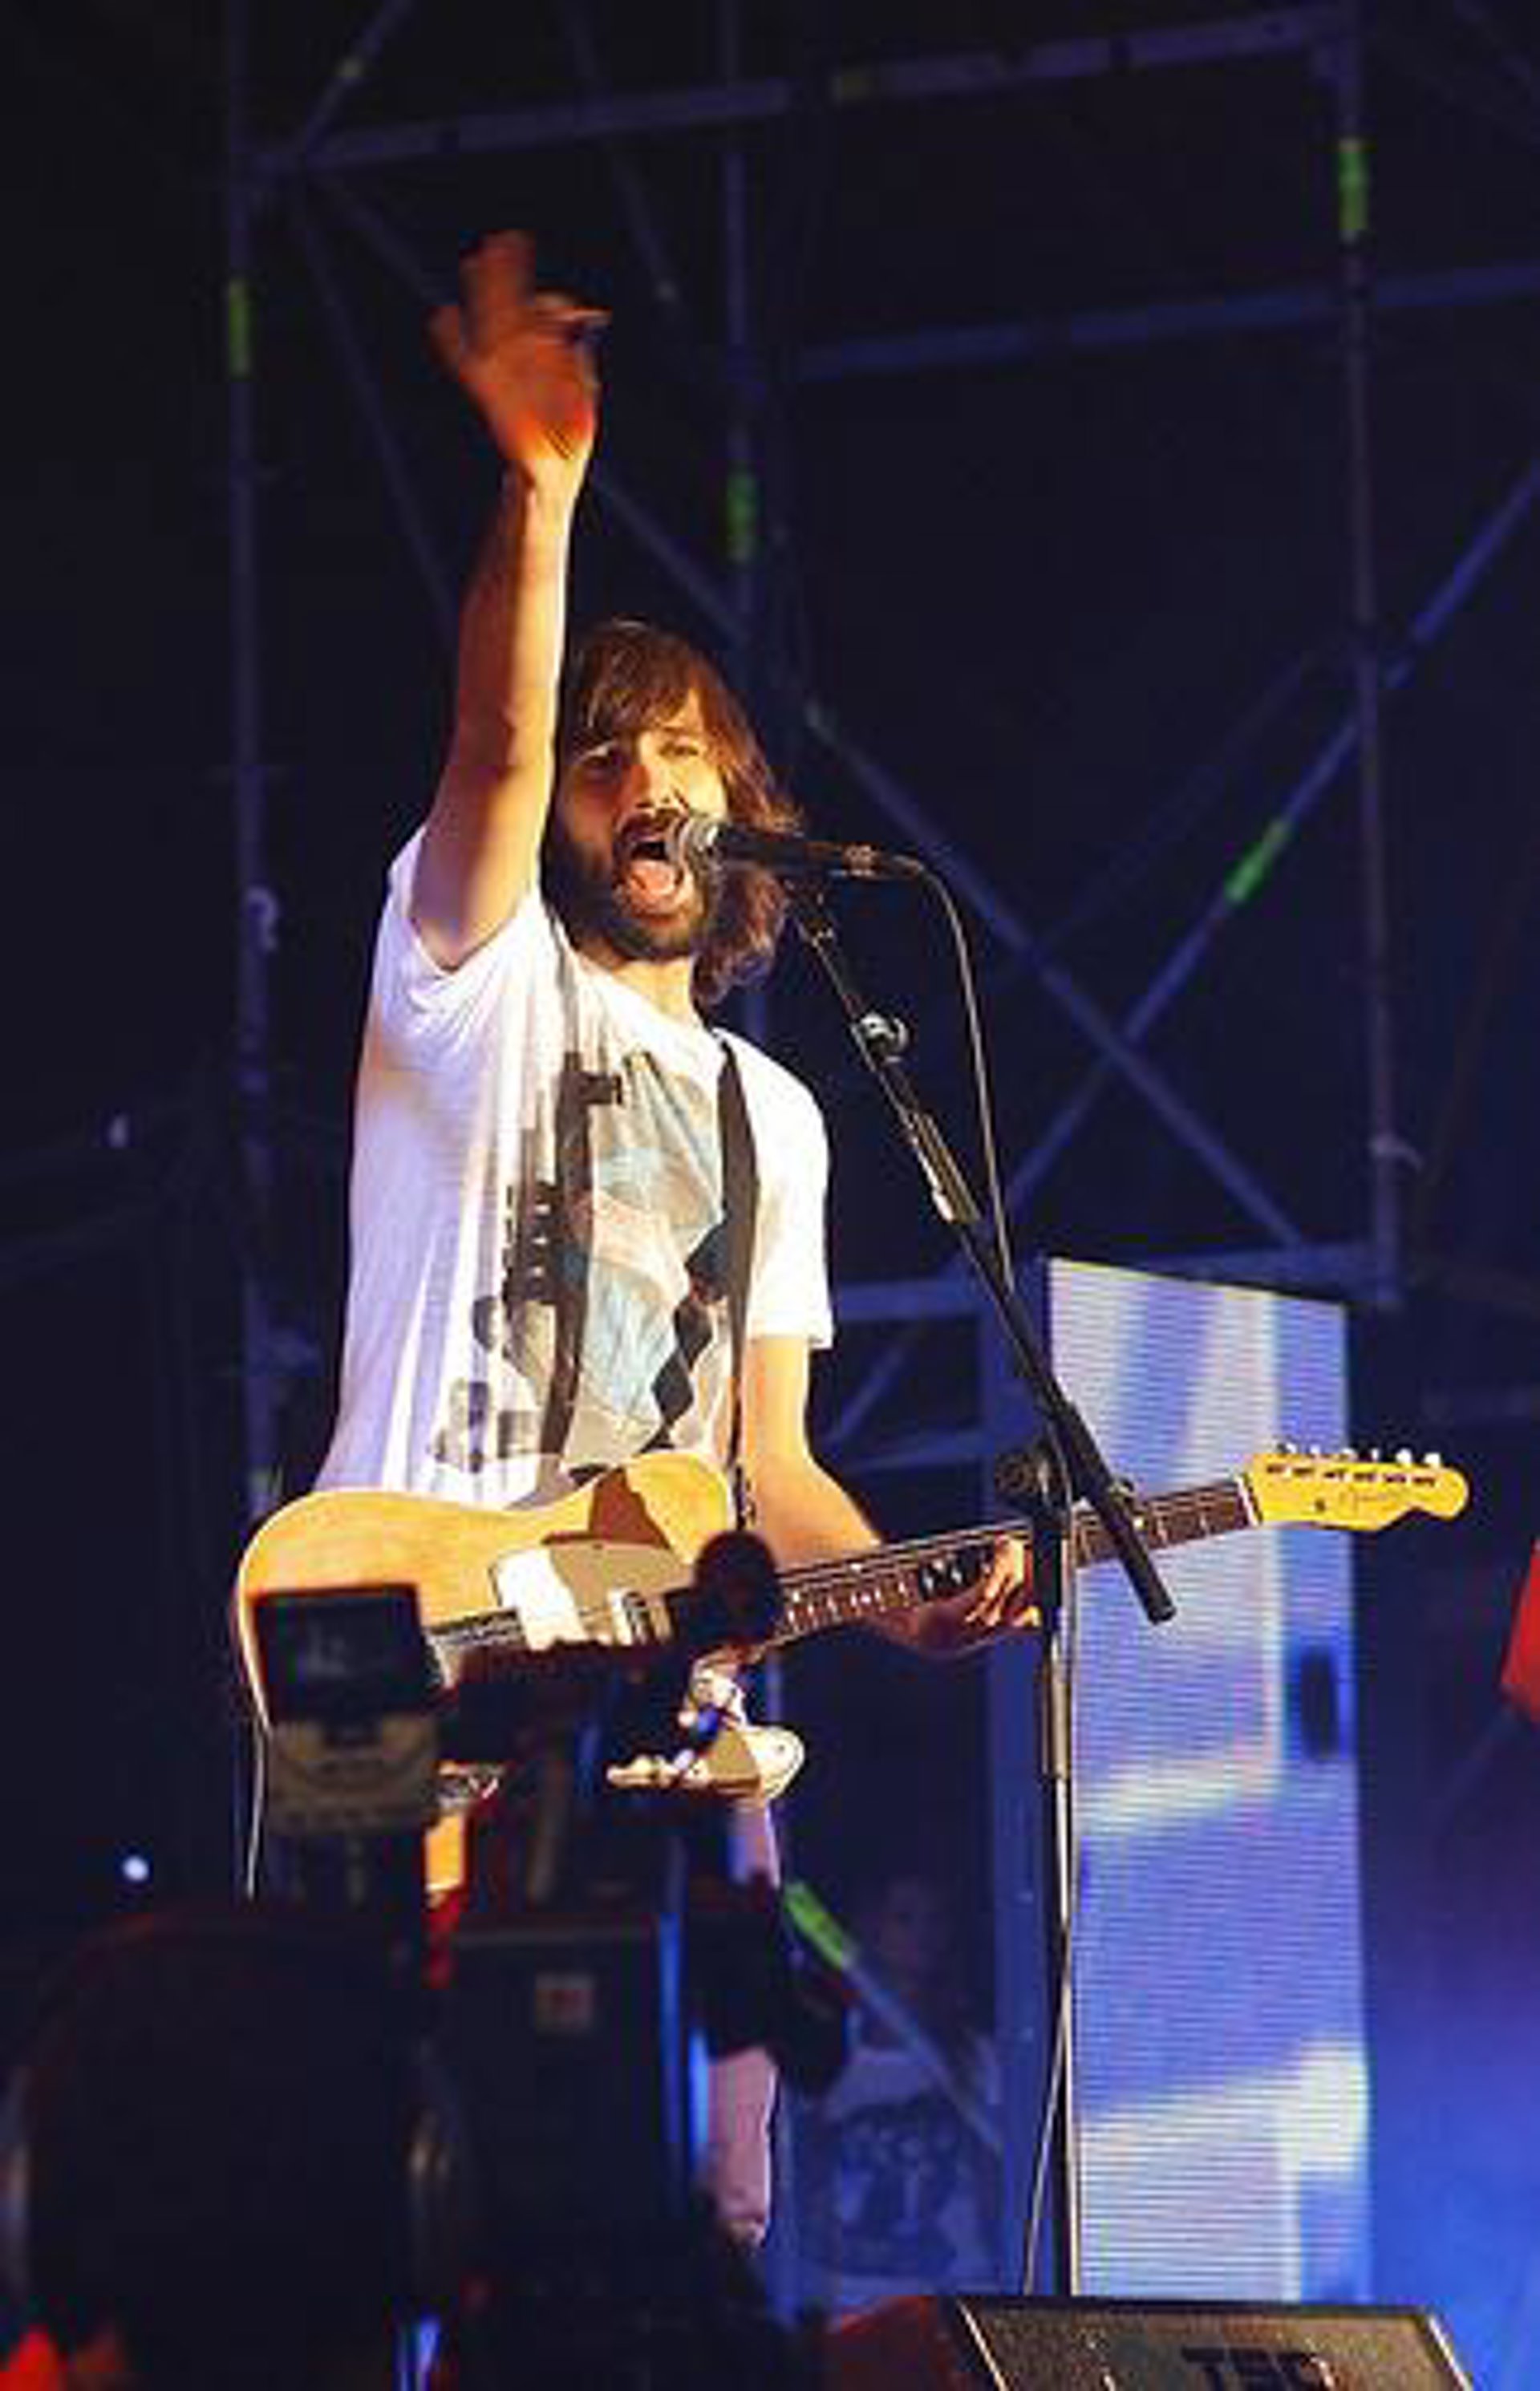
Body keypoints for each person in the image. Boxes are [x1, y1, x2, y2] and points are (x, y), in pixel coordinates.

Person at [314, 230, 1034, 2243]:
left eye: (679, 746)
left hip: (677, 1724)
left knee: (705, 2211)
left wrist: (896, 1600)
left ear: (735, 796)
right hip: (419, 1653)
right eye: (607, 752)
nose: (641, 776)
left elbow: (764, 1468)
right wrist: (542, 490)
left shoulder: (771, 1117)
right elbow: (490, 743)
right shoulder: (469, 983)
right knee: (405, 2198)